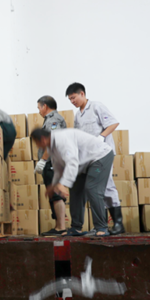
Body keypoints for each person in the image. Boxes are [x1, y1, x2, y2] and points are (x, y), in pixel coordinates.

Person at [30, 128, 114, 236]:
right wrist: (54, 185)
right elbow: (58, 168)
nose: (37, 146)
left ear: (42, 139)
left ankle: (102, 227)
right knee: (75, 190)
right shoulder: (52, 147)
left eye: (36, 143)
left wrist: (63, 184)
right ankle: (76, 228)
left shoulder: (62, 139)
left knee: (92, 189)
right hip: (84, 163)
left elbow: (72, 162)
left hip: (100, 156)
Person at [65, 83, 125, 235]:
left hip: (102, 153)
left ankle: (117, 224)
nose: (72, 101)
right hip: (88, 157)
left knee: (105, 186)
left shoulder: (96, 106)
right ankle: (96, 225)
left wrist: (101, 136)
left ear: (82, 94)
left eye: (74, 97)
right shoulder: (78, 115)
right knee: (90, 188)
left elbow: (113, 123)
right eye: (70, 99)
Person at [33, 95, 68, 236]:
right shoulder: (51, 120)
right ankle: (58, 226)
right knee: (53, 194)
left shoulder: (53, 120)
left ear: (45, 106)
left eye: (39, 108)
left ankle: (61, 228)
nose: (39, 111)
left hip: (53, 162)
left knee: (56, 195)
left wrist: (43, 160)